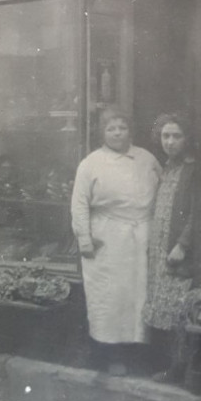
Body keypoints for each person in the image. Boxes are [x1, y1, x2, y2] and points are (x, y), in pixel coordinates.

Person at [71, 107, 161, 375]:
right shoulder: (90, 163)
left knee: (139, 296)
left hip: (142, 236)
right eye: (111, 128)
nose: (117, 133)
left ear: (129, 130)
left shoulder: (146, 159)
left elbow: (164, 192)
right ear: (102, 132)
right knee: (109, 298)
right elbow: (79, 204)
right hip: (106, 239)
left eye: (122, 127)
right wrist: (85, 240)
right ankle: (109, 354)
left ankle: (138, 354)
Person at [143, 112, 199, 382]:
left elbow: (197, 212)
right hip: (159, 245)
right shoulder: (166, 166)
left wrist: (183, 244)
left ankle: (179, 369)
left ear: (187, 139)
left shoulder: (193, 169)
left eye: (177, 136)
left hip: (176, 248)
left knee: (178, 309)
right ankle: (166, 365)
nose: (170, 141)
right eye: (166, 136)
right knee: (162, 306)